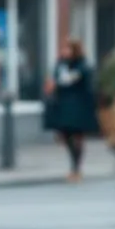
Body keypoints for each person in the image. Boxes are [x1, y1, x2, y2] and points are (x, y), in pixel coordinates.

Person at [43, 39, 100, 182]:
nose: (65, 52)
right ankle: (74, 166)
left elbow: (77, 81)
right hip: (63, 105)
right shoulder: (60, 64)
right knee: (66, 135)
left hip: (78, 106)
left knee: (77, 136)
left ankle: (76, 168)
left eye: (68, 49)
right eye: (64, 49)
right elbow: (55, 81)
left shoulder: (83, 66)